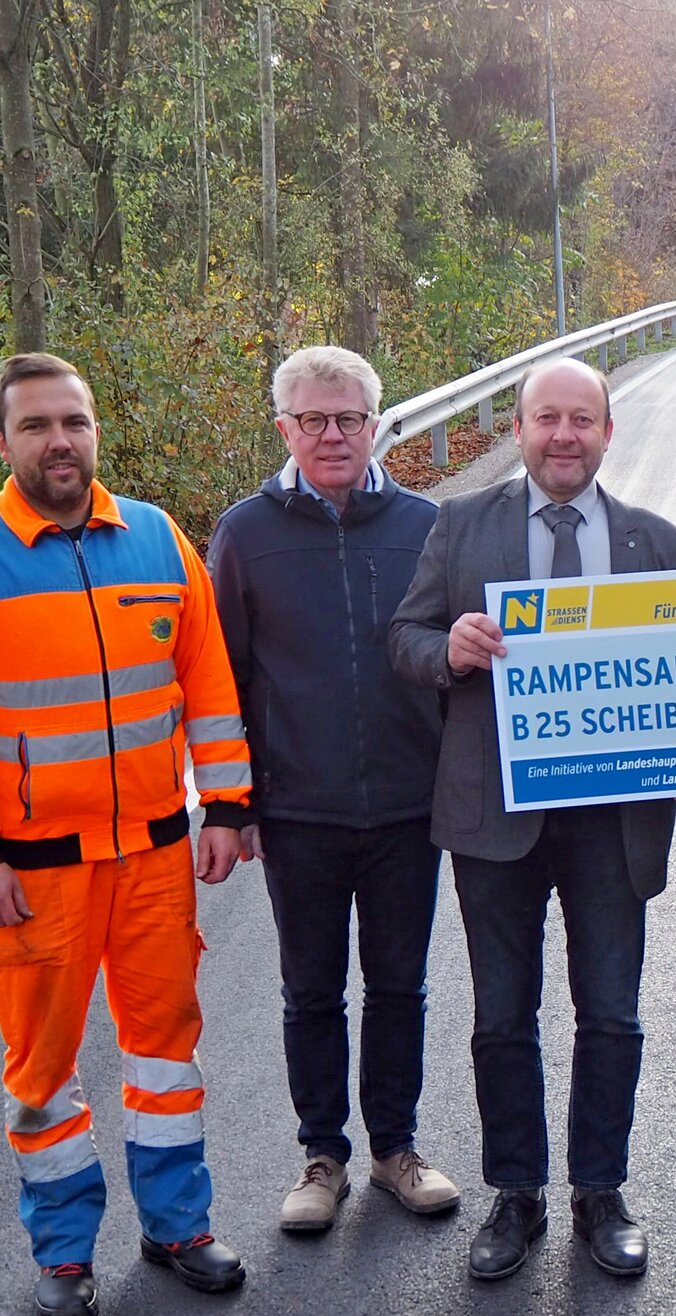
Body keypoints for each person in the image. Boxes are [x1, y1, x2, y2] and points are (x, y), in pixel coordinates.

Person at [0, 353, 255, 1316]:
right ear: (4, 444)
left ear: (96, 431)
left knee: (165, 1055)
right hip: (34, 872)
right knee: (45, 1073)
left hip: (151, 855)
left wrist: (224, 804)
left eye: (75, 421)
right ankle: (63, 1252)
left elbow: (209, 683)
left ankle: (177, 1227)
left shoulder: (154, 538)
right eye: (38, 425)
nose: (61, 440)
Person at [388, 357, 676, 1282]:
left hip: (613, 822)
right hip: (496, 818)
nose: (565, 436)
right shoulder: (460, 526)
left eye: (583, 420)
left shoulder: (662, 546)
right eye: (547, 419)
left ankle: (601, 1191)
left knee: (611, 1015)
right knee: (500, 1018)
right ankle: (514, 1192)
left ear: (608, 433)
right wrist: (448, 647)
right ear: (518, 432)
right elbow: (404, 641)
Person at [207, 345, 459, 1235]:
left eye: (348, 417)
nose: (331, 434)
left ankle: (396, 1147)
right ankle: (324, 1155)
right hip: (299, 810)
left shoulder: (428, 523)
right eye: (311, 419)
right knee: (310, 990)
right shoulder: (245, 533)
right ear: (284, 428)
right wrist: (232, 806)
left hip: (407, 805)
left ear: (376, 424)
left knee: (401, 986)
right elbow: (220, 680)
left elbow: (459, 659)